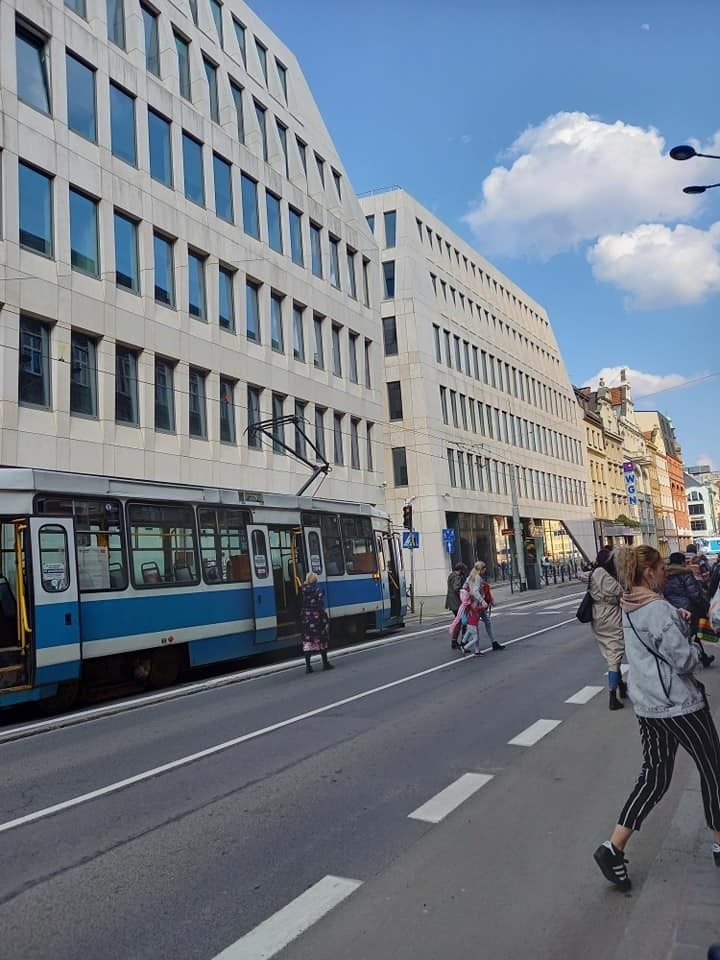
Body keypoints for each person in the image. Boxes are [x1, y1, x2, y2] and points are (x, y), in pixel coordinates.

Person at [593, 545, 720, 892]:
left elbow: (651, 643)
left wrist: (675, 621)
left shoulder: (629, 604)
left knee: (654, 776)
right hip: (680, 705)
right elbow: (684, 661)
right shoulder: (657, 609)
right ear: (648, 573)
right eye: (661, 568)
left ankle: (613, 846)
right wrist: (693, 644)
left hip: (648, 705)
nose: (664, 573)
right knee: (713, 767)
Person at [588, 548, 627, 711]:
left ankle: (620, 685)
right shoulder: (604, 574)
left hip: (597, 615)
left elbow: (583, 577)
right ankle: (612, 694)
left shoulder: (595, 573)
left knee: (609, 651)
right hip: (610, 614)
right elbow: (620, 591)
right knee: (615, 651)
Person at [665, 552, 714, 668]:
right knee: (692, 634)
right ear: (682, 562)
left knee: (687, 634)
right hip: (688, 609)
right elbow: (695, 594)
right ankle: (691, 659)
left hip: (672, 608)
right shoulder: (685, 573)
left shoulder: (665, 574)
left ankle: (703, 657)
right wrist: (706, 607)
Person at [465, 562, 504, 651]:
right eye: (484, 568)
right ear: (482, 569)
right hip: (478, 605)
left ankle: (493, 643)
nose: (485, 570)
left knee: (483, 623)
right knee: (476, 625)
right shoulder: (477, 577)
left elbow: (464, 589)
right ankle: (474, 648)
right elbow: (475, 591)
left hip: (473, 604)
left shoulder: (469, 577)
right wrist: (482, 601)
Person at [299, 572, 333, 673]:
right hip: (317, 618)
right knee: (322, 640)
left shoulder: (302, 590)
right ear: (315, 580)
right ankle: (325, 663)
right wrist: (325, 620)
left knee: (308, 642)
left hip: (306, 619)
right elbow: (320, 605)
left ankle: (308, 667)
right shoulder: (318, 590)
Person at [446, 563, 467, 649]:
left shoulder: (451, 575)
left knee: (459, 621)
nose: (464, 573)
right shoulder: (457, 577)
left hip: (451, 601)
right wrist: (463, 593)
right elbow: (456, 588)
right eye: (463, 571)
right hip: (457, 602)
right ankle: (463, 641)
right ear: (460, 570)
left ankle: (455, 641)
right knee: (463, 622)